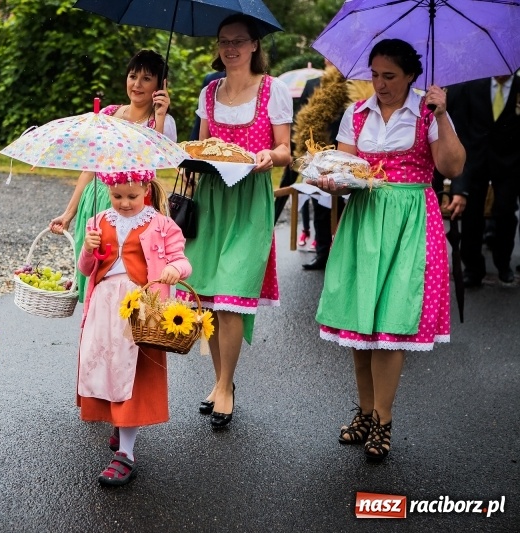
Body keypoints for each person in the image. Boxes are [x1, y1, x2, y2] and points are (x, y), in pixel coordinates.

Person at [313, 39, 465, 463]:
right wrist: (332, 182)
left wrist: (443, 114)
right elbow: (345, 172)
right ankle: (365, 412)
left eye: (390, 76)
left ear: (411, 76)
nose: (379, 84)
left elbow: (452, 167)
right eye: (375, 75)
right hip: (364, 219)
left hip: (410, 222)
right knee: (361, 320)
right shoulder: (356, 114)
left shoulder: (428, 113)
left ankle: (383, 418)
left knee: (392, 321)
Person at [179, 13, 292, 429]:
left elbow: (285, 149)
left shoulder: (274, 90)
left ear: (254, 45)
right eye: (224, 41)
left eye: (239, 41)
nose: (231, 48)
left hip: (249, 199)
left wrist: (269, 156)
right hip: (211, 197)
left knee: (231, 294)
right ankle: (220, 380)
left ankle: (226, 385)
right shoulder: (209, 92)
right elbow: (202, 146)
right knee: (209, 295)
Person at [76, 171, 191, 487]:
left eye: (132, 196)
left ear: (145, 189)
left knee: (130, 375)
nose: (124, 203)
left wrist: (173, 268)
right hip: (103, 306)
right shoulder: (98, 222)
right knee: (105, 368)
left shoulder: (162, 225)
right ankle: (118, 422)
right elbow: (86, 269)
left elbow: (183, 262)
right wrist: (88, 248)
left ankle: (125, 454)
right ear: (108, 191)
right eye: (117, 196)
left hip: (140, 310)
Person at [50, 49, 176, 302]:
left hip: (133, 202)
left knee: (128, 272)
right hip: (96, 199)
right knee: (92, 269)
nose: (137, 84)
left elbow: (157, 162)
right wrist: (69, 213)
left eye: (146, 79)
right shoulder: (107, 114)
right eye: (132, 76)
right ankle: (94, 321)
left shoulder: (162, 122)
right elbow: (90, 167)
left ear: (160, 85)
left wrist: (160, 116)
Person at [443, 72, 520, 285]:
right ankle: (472, 268)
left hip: (509, 164)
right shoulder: (473, 86)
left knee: (505, 214)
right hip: (475, 161)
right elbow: (462, 127)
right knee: (471, 216)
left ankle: (503, 263)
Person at [291, 60, 352, 270]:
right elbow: (303, 120)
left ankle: (346, 255)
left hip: (349, 152)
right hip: (321, 152)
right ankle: (322, 252)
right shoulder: (313, 84)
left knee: (349, 209)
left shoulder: (359, 84)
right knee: (319, 205)